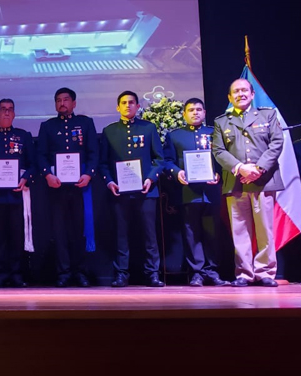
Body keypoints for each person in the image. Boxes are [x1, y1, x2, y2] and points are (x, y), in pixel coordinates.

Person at [212, 78, 284, 287]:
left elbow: (277, 143)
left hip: (264, 181)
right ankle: (244, 273)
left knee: (265, 229)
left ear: (252, 94)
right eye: (236, 91)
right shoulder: (221, 121)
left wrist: (258, 169)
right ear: (229, 97)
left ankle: (265, 272)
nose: (240, 94)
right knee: (240, 230)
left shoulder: (267, 115)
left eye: (244, 90)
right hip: (236, 182)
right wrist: (240, 168)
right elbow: (218, 150)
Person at [99, 91, 165, 287]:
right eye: (123, 103)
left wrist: (151, 178)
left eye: (131, 103)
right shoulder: (109, 131)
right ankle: (122, 274)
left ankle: (152, 273)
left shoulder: (149, 128)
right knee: (121, 234)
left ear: (137, 106)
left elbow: (159, 159)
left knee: (149, 235)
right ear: (118, 107)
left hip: (146, 190)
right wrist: (110, 181)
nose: (128, 106)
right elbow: (103, 163)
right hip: (119, 191)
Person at [36, 88, 98, 287]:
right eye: (58, 100)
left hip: (81, 186)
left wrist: (89, 173)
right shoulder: (47, 126)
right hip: (57, 186)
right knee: (60, 231)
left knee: (80, 230)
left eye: (66, 100)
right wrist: (47, 174)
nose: (62, 103)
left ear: (74, 103)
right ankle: (63, 273)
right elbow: (40, 154)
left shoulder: (85, 123)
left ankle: (80, 272)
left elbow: (93, 152)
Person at [164, 98, 229, 287]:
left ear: (204, 112)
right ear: (184, 114)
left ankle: (212, 271)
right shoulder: (175, 136)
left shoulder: (213, 133)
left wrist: (217, 173)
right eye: (191, 110)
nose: (195, 113)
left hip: (211, 191)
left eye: (199, 109)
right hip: (188, 192)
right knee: (191, 233)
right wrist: (177, 173)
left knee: (212, 233)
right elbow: (168, 161)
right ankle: (197, 273)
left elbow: (222, 158)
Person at [0, 99, 34, 288]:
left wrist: (26, 177)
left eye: (10, 110)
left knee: (17, 235)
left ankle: (17, 273)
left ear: (14, 114)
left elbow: (32, 163)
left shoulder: (23, 136)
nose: (7, 113)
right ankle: (1, 273)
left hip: (17, 194)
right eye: (3, 110)